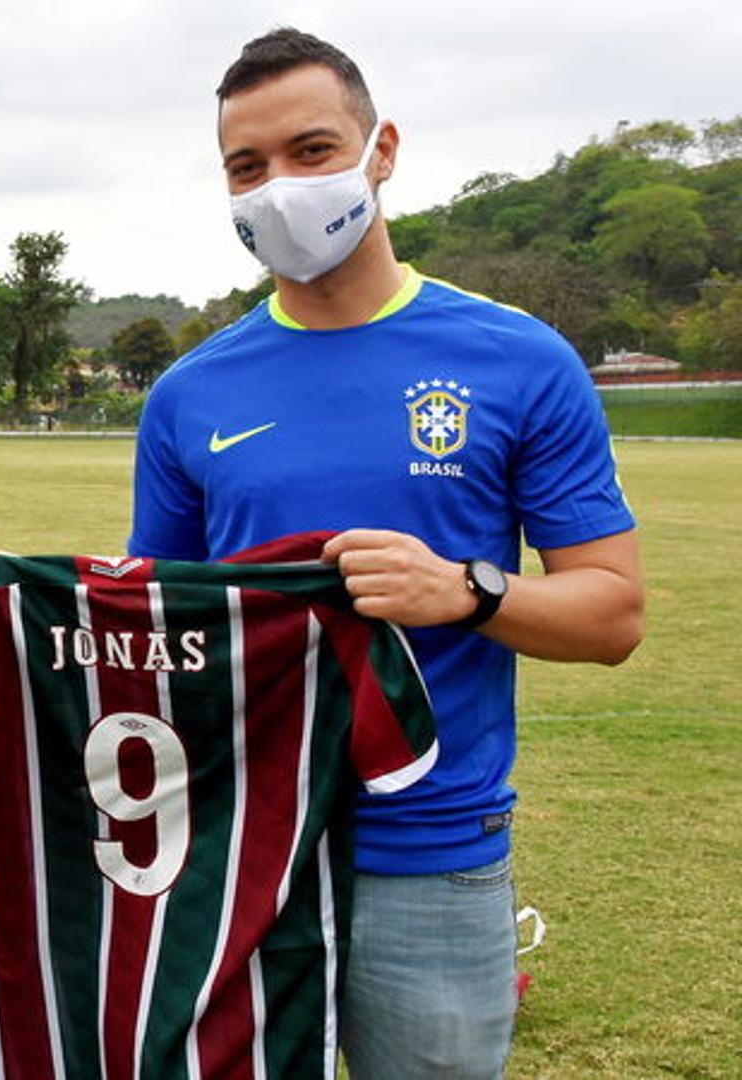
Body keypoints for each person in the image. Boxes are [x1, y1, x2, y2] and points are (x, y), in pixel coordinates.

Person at [127, 27, 644, 1079]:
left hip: (431, 859)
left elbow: (612, 615)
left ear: (383, 149)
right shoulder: (190, 394)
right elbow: (156, 624)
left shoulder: (518, 360)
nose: (278, 187)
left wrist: (466, 590)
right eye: (246, 166)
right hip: (238, 859)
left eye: (311, 151)